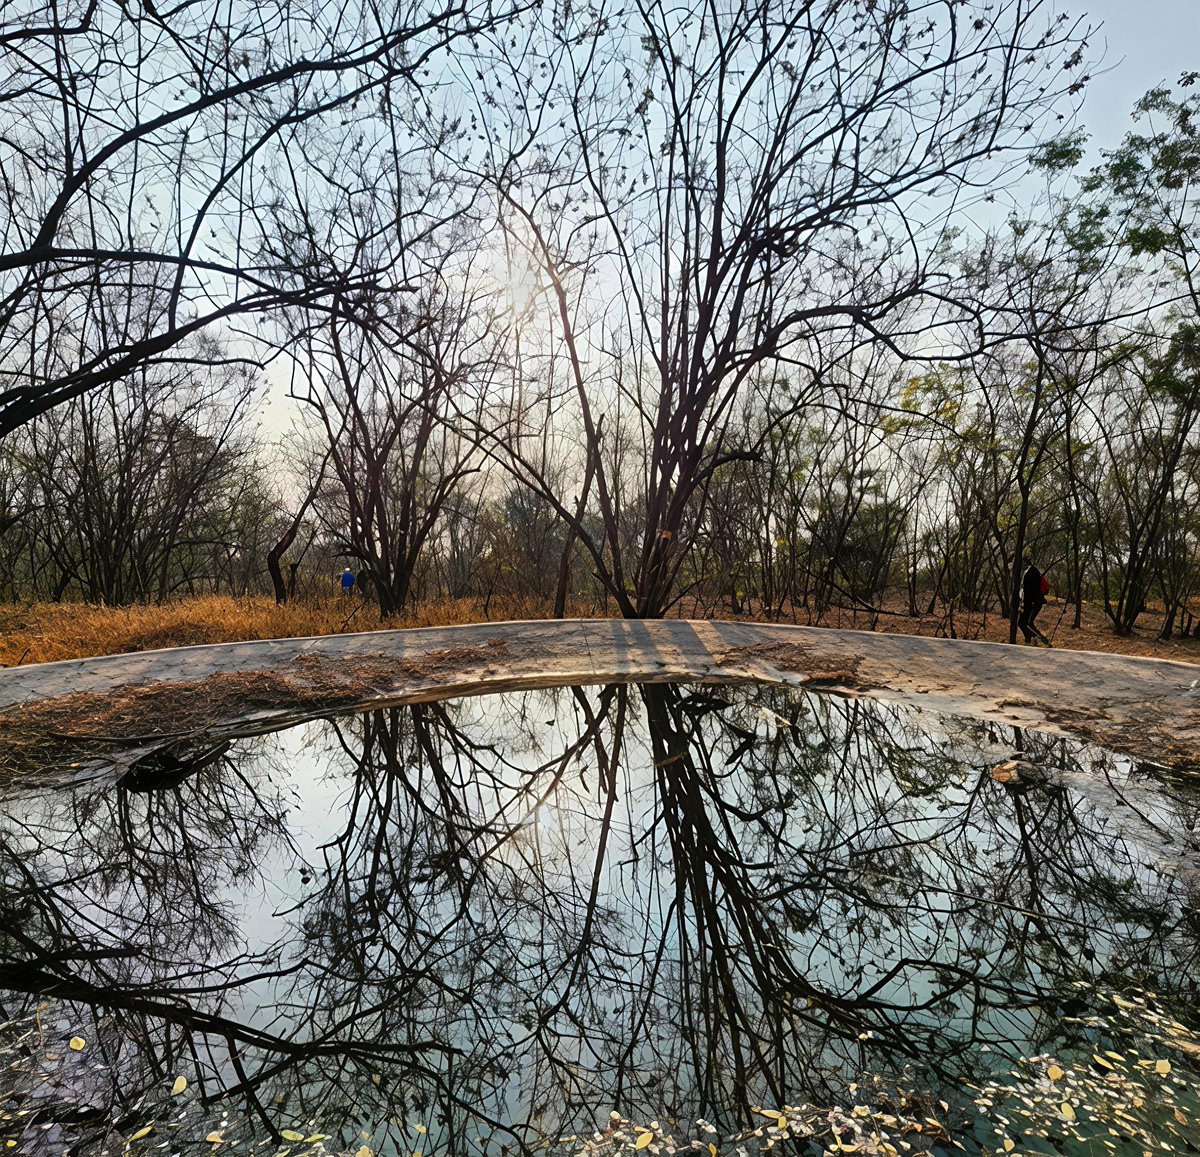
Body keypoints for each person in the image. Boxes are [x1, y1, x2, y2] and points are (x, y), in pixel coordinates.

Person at [1019, 560, 1050, 645]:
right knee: (1022, 623)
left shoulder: (1032, 571)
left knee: (1027, 623)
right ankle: (1030, 640)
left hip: (1034, 602)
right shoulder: (1028, 572)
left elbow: (1032, 589)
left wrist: (1032, 601)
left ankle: (1043, 641)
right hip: (1031, 602)